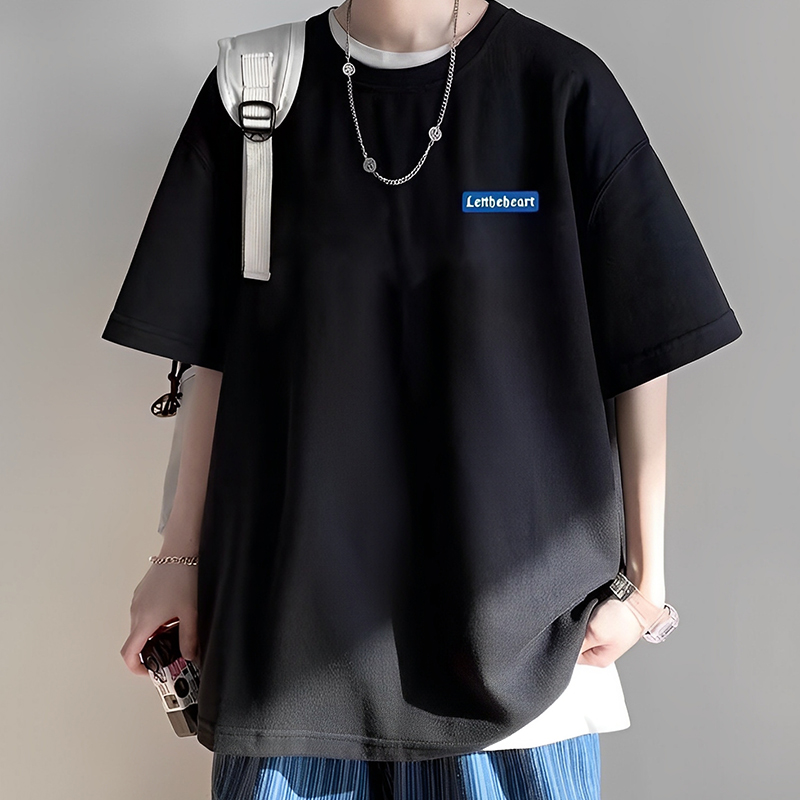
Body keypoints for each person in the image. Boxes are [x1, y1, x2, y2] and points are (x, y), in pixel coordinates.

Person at [103, 1, 743, 797]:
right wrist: (178, 557)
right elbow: (217, 355)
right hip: (289, 644)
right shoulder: (255, 89)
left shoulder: (558, 88)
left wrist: (647, 586)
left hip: (521, 658)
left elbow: (643, 343)